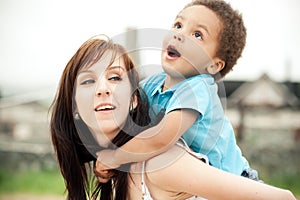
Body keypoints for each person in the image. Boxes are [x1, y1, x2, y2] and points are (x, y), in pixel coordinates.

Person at [50, 35, 296, 200]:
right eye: (88, 81)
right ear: (73, 106)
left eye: (115, 78)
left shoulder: (160, 163)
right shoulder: (111, 167)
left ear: (135, 98)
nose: (103, 88)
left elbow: (282, 198)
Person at [95, 0, 258, 181]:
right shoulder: (152, 84)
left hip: (236, 180)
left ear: (213, 65)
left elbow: (162, 138)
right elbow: (126, 110)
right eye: (178, 25)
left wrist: (116, 157)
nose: (179, 35)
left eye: (197, 35)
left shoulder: (199, 88)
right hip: (197, 183)